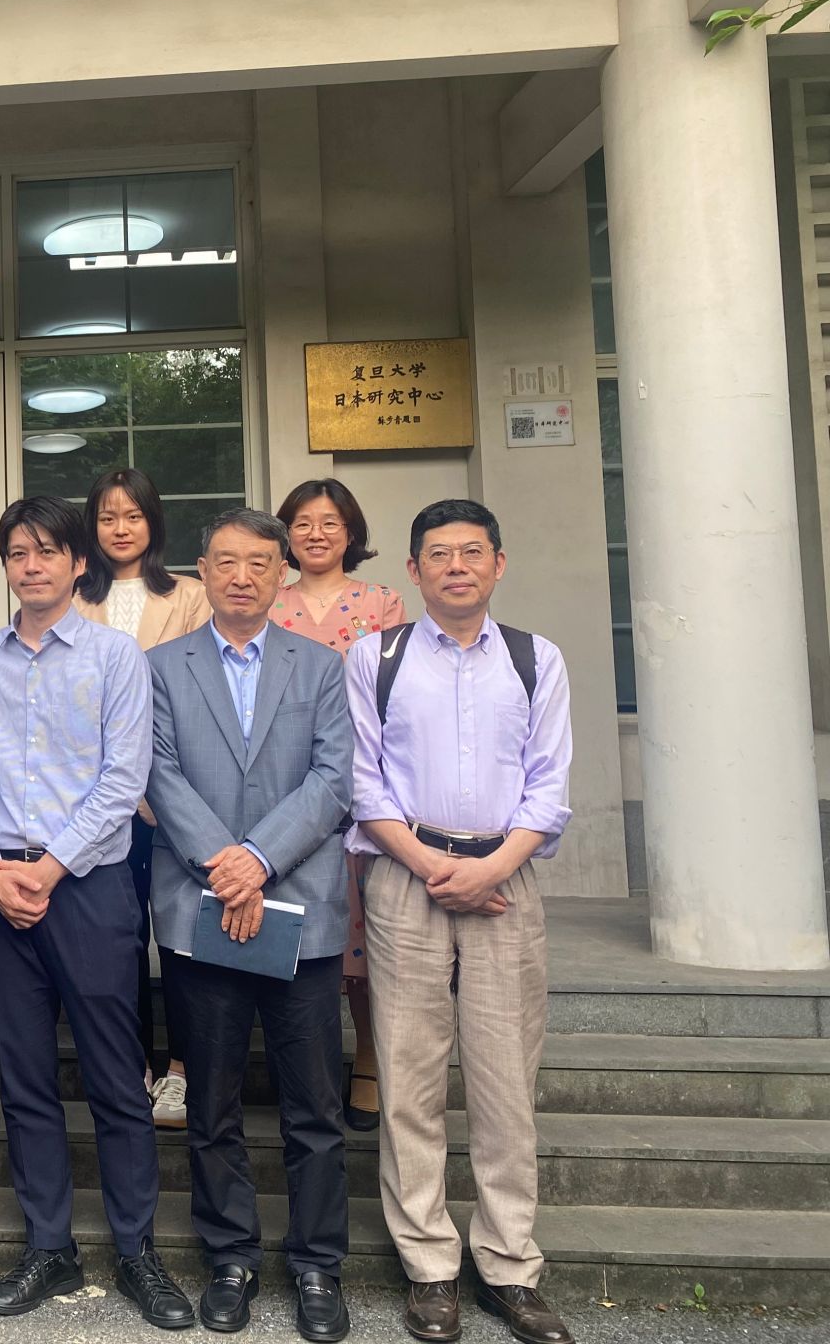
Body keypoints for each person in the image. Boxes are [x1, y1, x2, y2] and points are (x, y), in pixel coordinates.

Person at [0, 495, 193, 1329]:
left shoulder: (115, 656)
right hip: (1, 888)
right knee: (25, 1079)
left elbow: (124, 779)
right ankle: (48, 1247)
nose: (32, 566)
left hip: (89, 885)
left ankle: (136, 1251)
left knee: (115, 1077)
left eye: (48, 551)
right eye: (18, 553)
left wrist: (51, 868)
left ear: (78, 563)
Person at [345, 499, 573, 1344]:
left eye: (472, 552)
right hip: (406, 879)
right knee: (408, 1077)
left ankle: (510, 1265)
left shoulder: (535, 659)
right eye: (438, 555)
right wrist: (434, 866)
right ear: (413, 571)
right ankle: (430, 1266)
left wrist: (489, 868)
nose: (456, 567)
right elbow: (364, 781)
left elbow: (548, 784)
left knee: (506, 1079)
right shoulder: (376, 658)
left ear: (498, 564)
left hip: (505, 882)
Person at [144, 507, 355, 1342]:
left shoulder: (322, 666)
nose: (241, 577)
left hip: (299, 908)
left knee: (314, 1105)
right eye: (225, 562)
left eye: (259, 563)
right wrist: (224, 865)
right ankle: (229, 1256)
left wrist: (258, 860)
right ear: (201, 572)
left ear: (280, 574)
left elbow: (335, 779)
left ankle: (317, 1265)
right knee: (212, 1100)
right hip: (200, 909)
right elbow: (156, 773)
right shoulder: (161, 667)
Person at [74, 465, 212, 1131]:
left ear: (153, 522)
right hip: (101, 801)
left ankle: (182, 1070)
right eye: (107, 517)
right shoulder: (74, 597)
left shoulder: (190, 596)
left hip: (175, 796)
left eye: (132, 515)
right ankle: (133, 1064)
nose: (120, 528)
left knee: (181, 938)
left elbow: (200, 694)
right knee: (118, 939)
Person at [273, 478, 408, 1136]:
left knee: (365, 935)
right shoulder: (267, 600)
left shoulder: (381, 602)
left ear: (350, 532)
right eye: (302, 522)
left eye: (330, 522)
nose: (316, 533)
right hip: (283, 790)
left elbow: (399, 700)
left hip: (363, 789)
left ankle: (371, 1060)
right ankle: (303, 1064)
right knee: (296, 929)